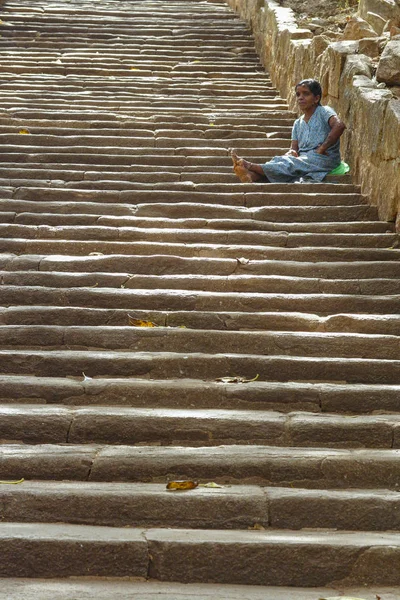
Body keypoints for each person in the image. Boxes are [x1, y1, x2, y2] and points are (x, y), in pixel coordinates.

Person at [231, 79, 346, 183]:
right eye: (298, 94)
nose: (300, 97)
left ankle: (249, 165)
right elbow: (294, 148)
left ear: (316, 98)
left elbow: (339, 125)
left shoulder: (324, 111)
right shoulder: (297, 123)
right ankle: (252, 176)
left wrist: (323, 148)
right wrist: (291, 152)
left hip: (324, 158)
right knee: (281, 160)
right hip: (303, 160)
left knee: (291, 164)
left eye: (306, 94)